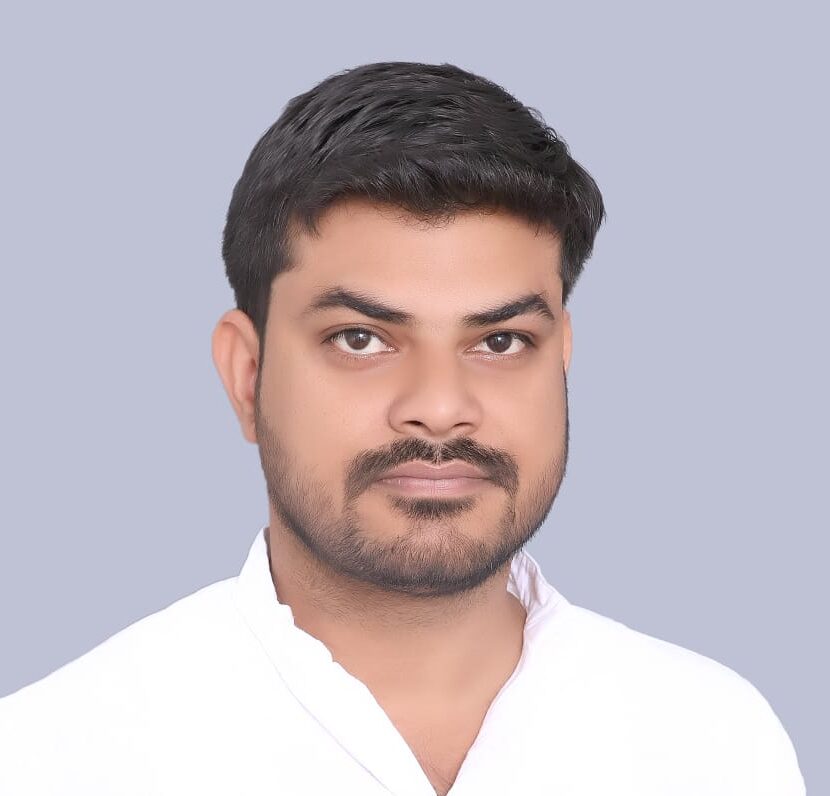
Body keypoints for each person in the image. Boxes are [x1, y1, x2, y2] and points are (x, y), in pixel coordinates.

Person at [0, 61, 805, 796]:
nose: (440, 407)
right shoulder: (51, 758)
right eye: (361, 339)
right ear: (246, 376)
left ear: (561, 359)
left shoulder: (715, 745)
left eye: (500, 342)